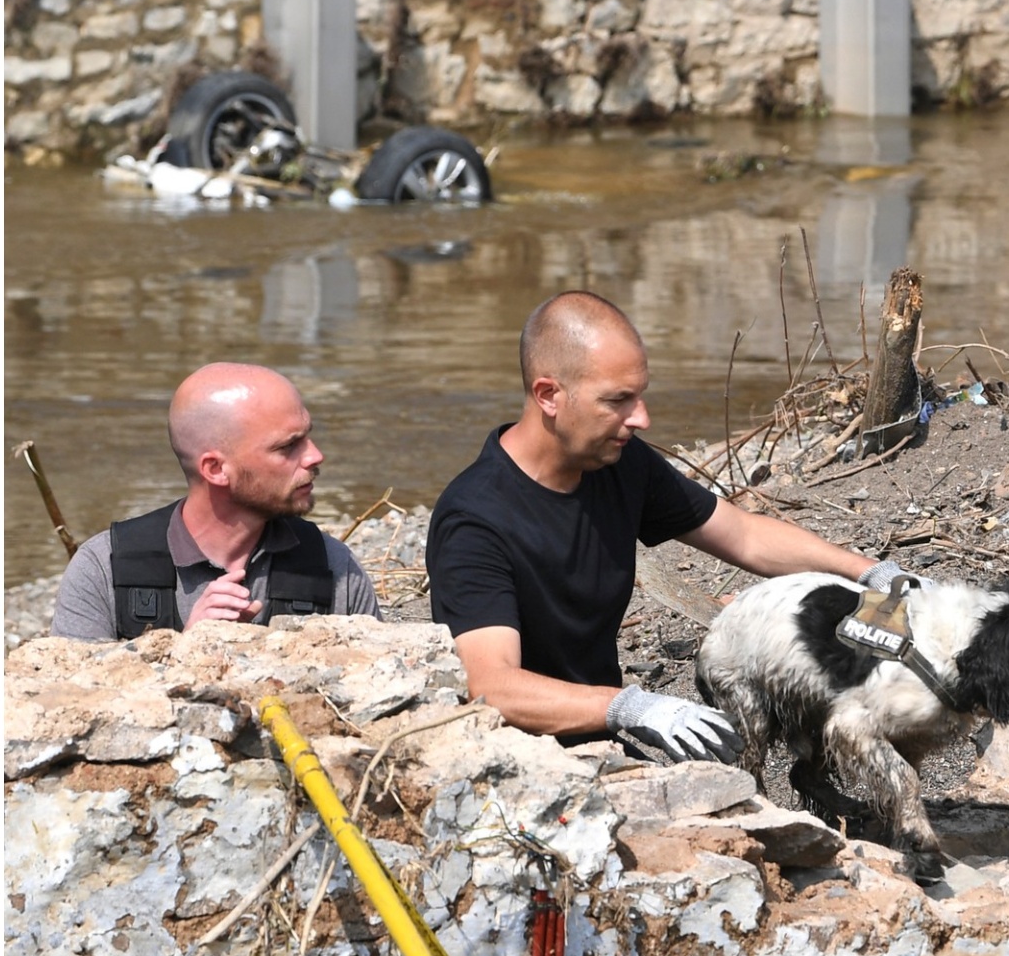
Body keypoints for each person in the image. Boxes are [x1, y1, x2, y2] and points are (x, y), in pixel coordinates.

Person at [428, 291, 915, 762]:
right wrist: (630, 707)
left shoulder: (618, 463)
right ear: (549, 395)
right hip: (516, 759)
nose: (641, 417)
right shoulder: (474, 520)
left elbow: (744, 535)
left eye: (639, 395)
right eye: (618, 400)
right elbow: (492, 687)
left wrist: (872, 574)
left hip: (603, 741)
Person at [49, 363, 382, 640]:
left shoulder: (332, 568)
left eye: (308, 436)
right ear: (216, 469)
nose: (315, 456)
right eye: (287, 447)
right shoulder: (104, 569)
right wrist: (190, 649)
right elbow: (71, 704)